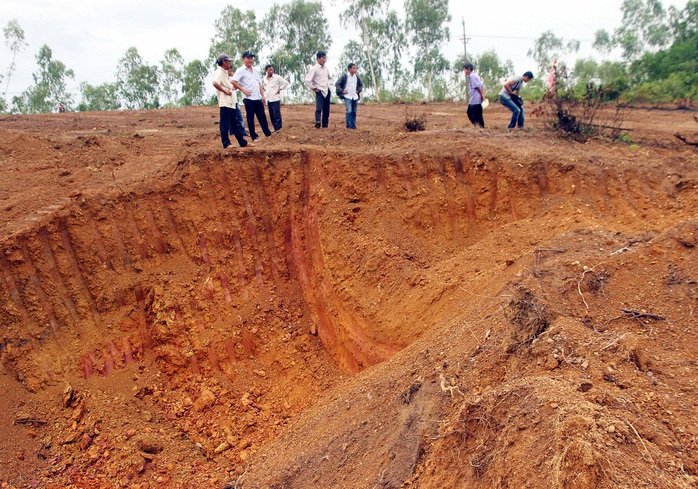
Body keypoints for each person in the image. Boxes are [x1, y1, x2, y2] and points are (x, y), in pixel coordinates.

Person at [232, 51, 273, 142]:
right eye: (248, 58)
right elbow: (233, 81)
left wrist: (263, 96)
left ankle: (268, 133)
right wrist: (243, 90)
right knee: (250, 118)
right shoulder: (240, 70)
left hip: (257, 97)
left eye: (251, 58)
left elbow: (259, 83)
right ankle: (254, 136)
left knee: (262, 116)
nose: (250, 60)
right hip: (248, 98)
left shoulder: (255, 70)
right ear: (243, 59)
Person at [212, 53, 249, 149]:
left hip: (230, 102)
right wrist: (225, 91)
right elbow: (215, 83)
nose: (229, 63)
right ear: (224, 62)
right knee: (225, 123)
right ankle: (226, 143)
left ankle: (242, 142)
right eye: (228, 61)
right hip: (225, 102)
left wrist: (230, 89)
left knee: (235, 123)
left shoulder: (224, 72)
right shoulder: (219, 72)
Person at [305, 51, 332, 128]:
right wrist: (313, 88)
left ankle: (325, 125)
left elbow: (330, 78)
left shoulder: (326, 69)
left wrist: (329, 86)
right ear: (318, 59)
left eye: (325, 58)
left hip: (327, 90)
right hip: (319, 90)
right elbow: (307, 80)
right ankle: (318, 122)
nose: (324, 60)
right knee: (319, 108)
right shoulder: (314, 69)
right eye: (323, 58)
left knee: (326, 109)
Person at [335, 63, 363, 129]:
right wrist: (342, 91)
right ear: (350, 69)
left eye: (355, 68)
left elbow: (361, 85)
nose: (355, 70)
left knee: (354, 111)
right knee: (349, 110)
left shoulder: (356, 77)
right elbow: (337, 84)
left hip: (355, 96)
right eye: (354, 68)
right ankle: (349, 125)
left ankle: (353, 125)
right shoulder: (345, 76)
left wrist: (358, 90)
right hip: (348, 96)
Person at [263, 64, 289, 131]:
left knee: (276, 114)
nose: (271, 71)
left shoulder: (277, 77)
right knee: (271, 115)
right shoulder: (264, 78)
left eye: (272, 70)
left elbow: (285, 83)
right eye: (269, 70)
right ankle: (275, 128)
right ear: (266, 71)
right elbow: (265, 87)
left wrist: (280, 89)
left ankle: (279, 128)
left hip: (275, 98)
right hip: (269, 98)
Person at [463, 63, 486, 128]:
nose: (464, 72)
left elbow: (476, 86)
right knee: (479, 114)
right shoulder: (476, 75)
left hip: (475, 98)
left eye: (465, 70)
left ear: (469, 69)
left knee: (470, 112)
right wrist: (482, 96)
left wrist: (482, 95)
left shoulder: (471, 76)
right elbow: (481, 86)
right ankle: (482, 127)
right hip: (478, 97)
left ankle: (476, 125)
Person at [228, 67, 249, 137]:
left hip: (235, 100)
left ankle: (242, 131)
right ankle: (232, 132)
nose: (230, 70)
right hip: (228, 101)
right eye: (229, 69)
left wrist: (234, 87)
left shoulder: (232, 78)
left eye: (230, 69)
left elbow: (238, 84)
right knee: (230, 117)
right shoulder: (224, 78)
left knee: (239, 117)